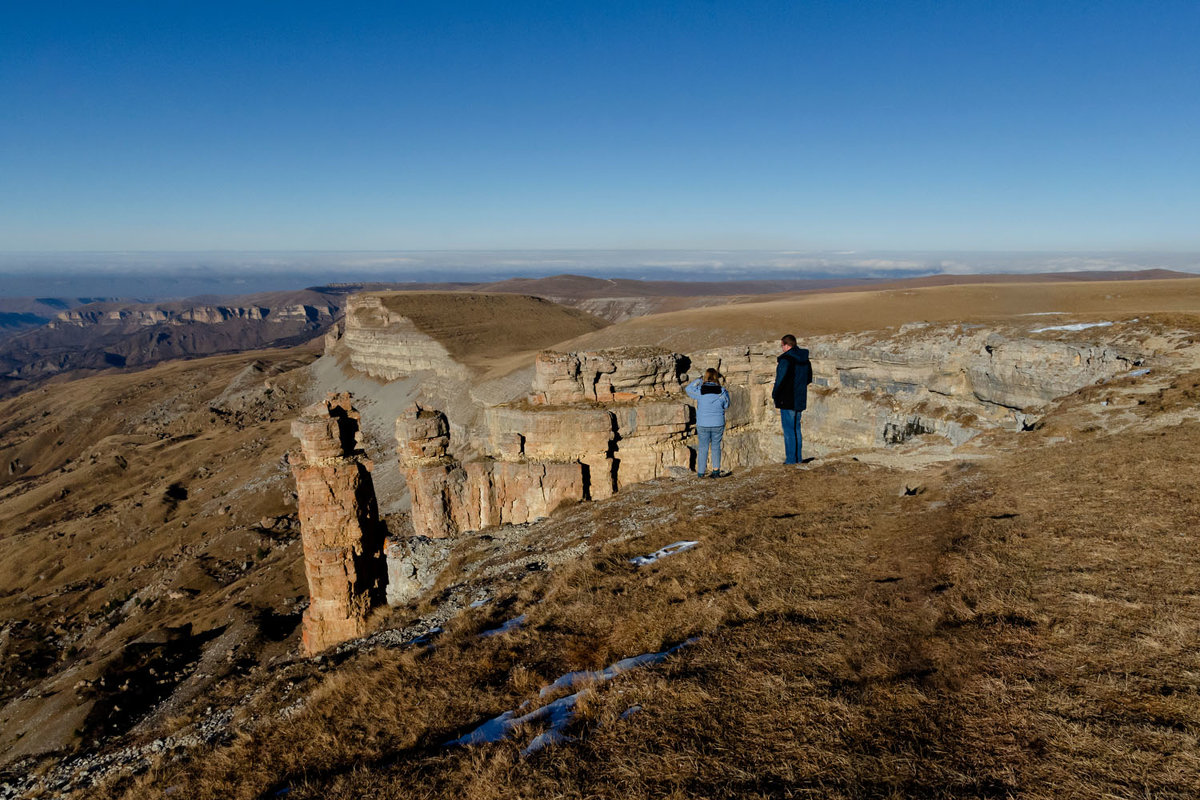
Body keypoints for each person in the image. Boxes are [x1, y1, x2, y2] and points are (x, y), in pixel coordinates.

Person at [773, 334, 813, 465]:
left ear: (787, 345)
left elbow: (780, 380)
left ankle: (791, 460)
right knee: (796, 429)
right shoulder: (804, 359)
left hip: (787, 399)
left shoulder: (786, 360)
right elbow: (808, 379)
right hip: (799, 398)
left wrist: (775, 394)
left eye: (782, 345)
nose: (782, 348)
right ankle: (798, 459)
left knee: (789, 430)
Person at [686, 367, 731, 478]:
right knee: (716, 447)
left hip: (703, 424)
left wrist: (699, 380)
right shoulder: (722, 391)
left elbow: (688, 389)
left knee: (703, 448)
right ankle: (716, 471)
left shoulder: (700, 391)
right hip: (718, 423)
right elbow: (727, 405)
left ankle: (701, 473)